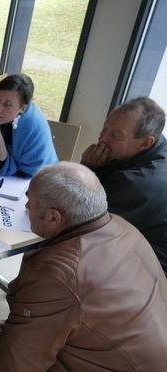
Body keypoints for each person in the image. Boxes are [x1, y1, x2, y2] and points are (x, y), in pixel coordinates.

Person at [0, 162, 167, 372]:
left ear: (54, 218)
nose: (25, 208)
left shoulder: (60, 273)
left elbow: (14, 369)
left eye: (29, 202)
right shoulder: (123, 228)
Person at [81, 96, 167, 272]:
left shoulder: (138, 183)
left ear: (145, 143)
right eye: (106, 126)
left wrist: (88, 169)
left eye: (116, 135)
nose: (102, 138)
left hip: (149, 272)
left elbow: (82, 218)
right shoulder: (153, 146)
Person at [0, 73, 57, 176]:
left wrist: (2, 163)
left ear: (23, 108)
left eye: (7, 104)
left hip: (39, 180)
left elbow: (36, 173)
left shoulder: (34, 126)